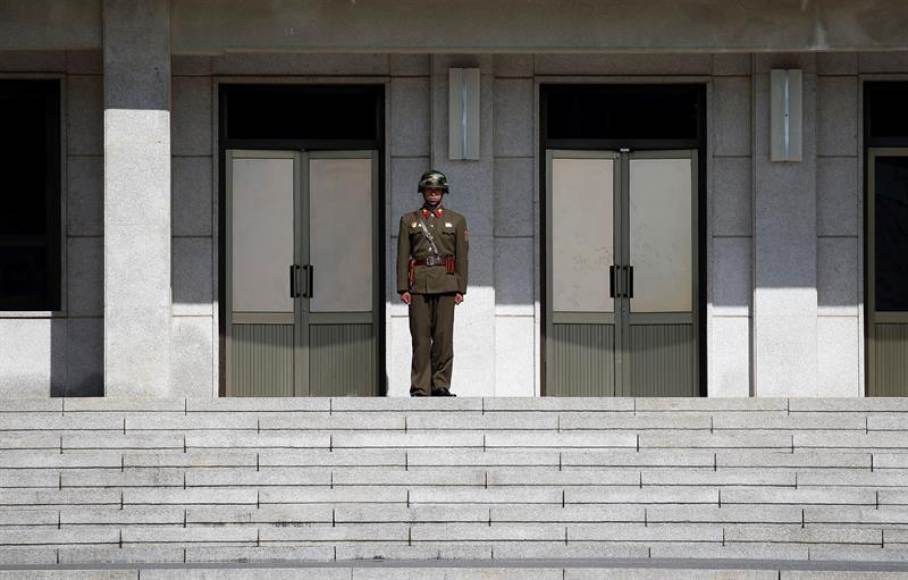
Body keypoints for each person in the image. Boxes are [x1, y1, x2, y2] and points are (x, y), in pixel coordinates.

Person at [397, 170, 469, 397]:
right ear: (423, 192)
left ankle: (440, 385)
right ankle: (420, 387)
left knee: (443, 339)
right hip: (418, 284)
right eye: (429, 190)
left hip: (447, 284)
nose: (433, 194)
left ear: (443, 192)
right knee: (419, 339)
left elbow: (462, 256)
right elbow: (402, 256)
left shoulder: (456, 220)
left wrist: (460, 287)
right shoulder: (409, 220)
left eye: (437, 190)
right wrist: (403, 287)